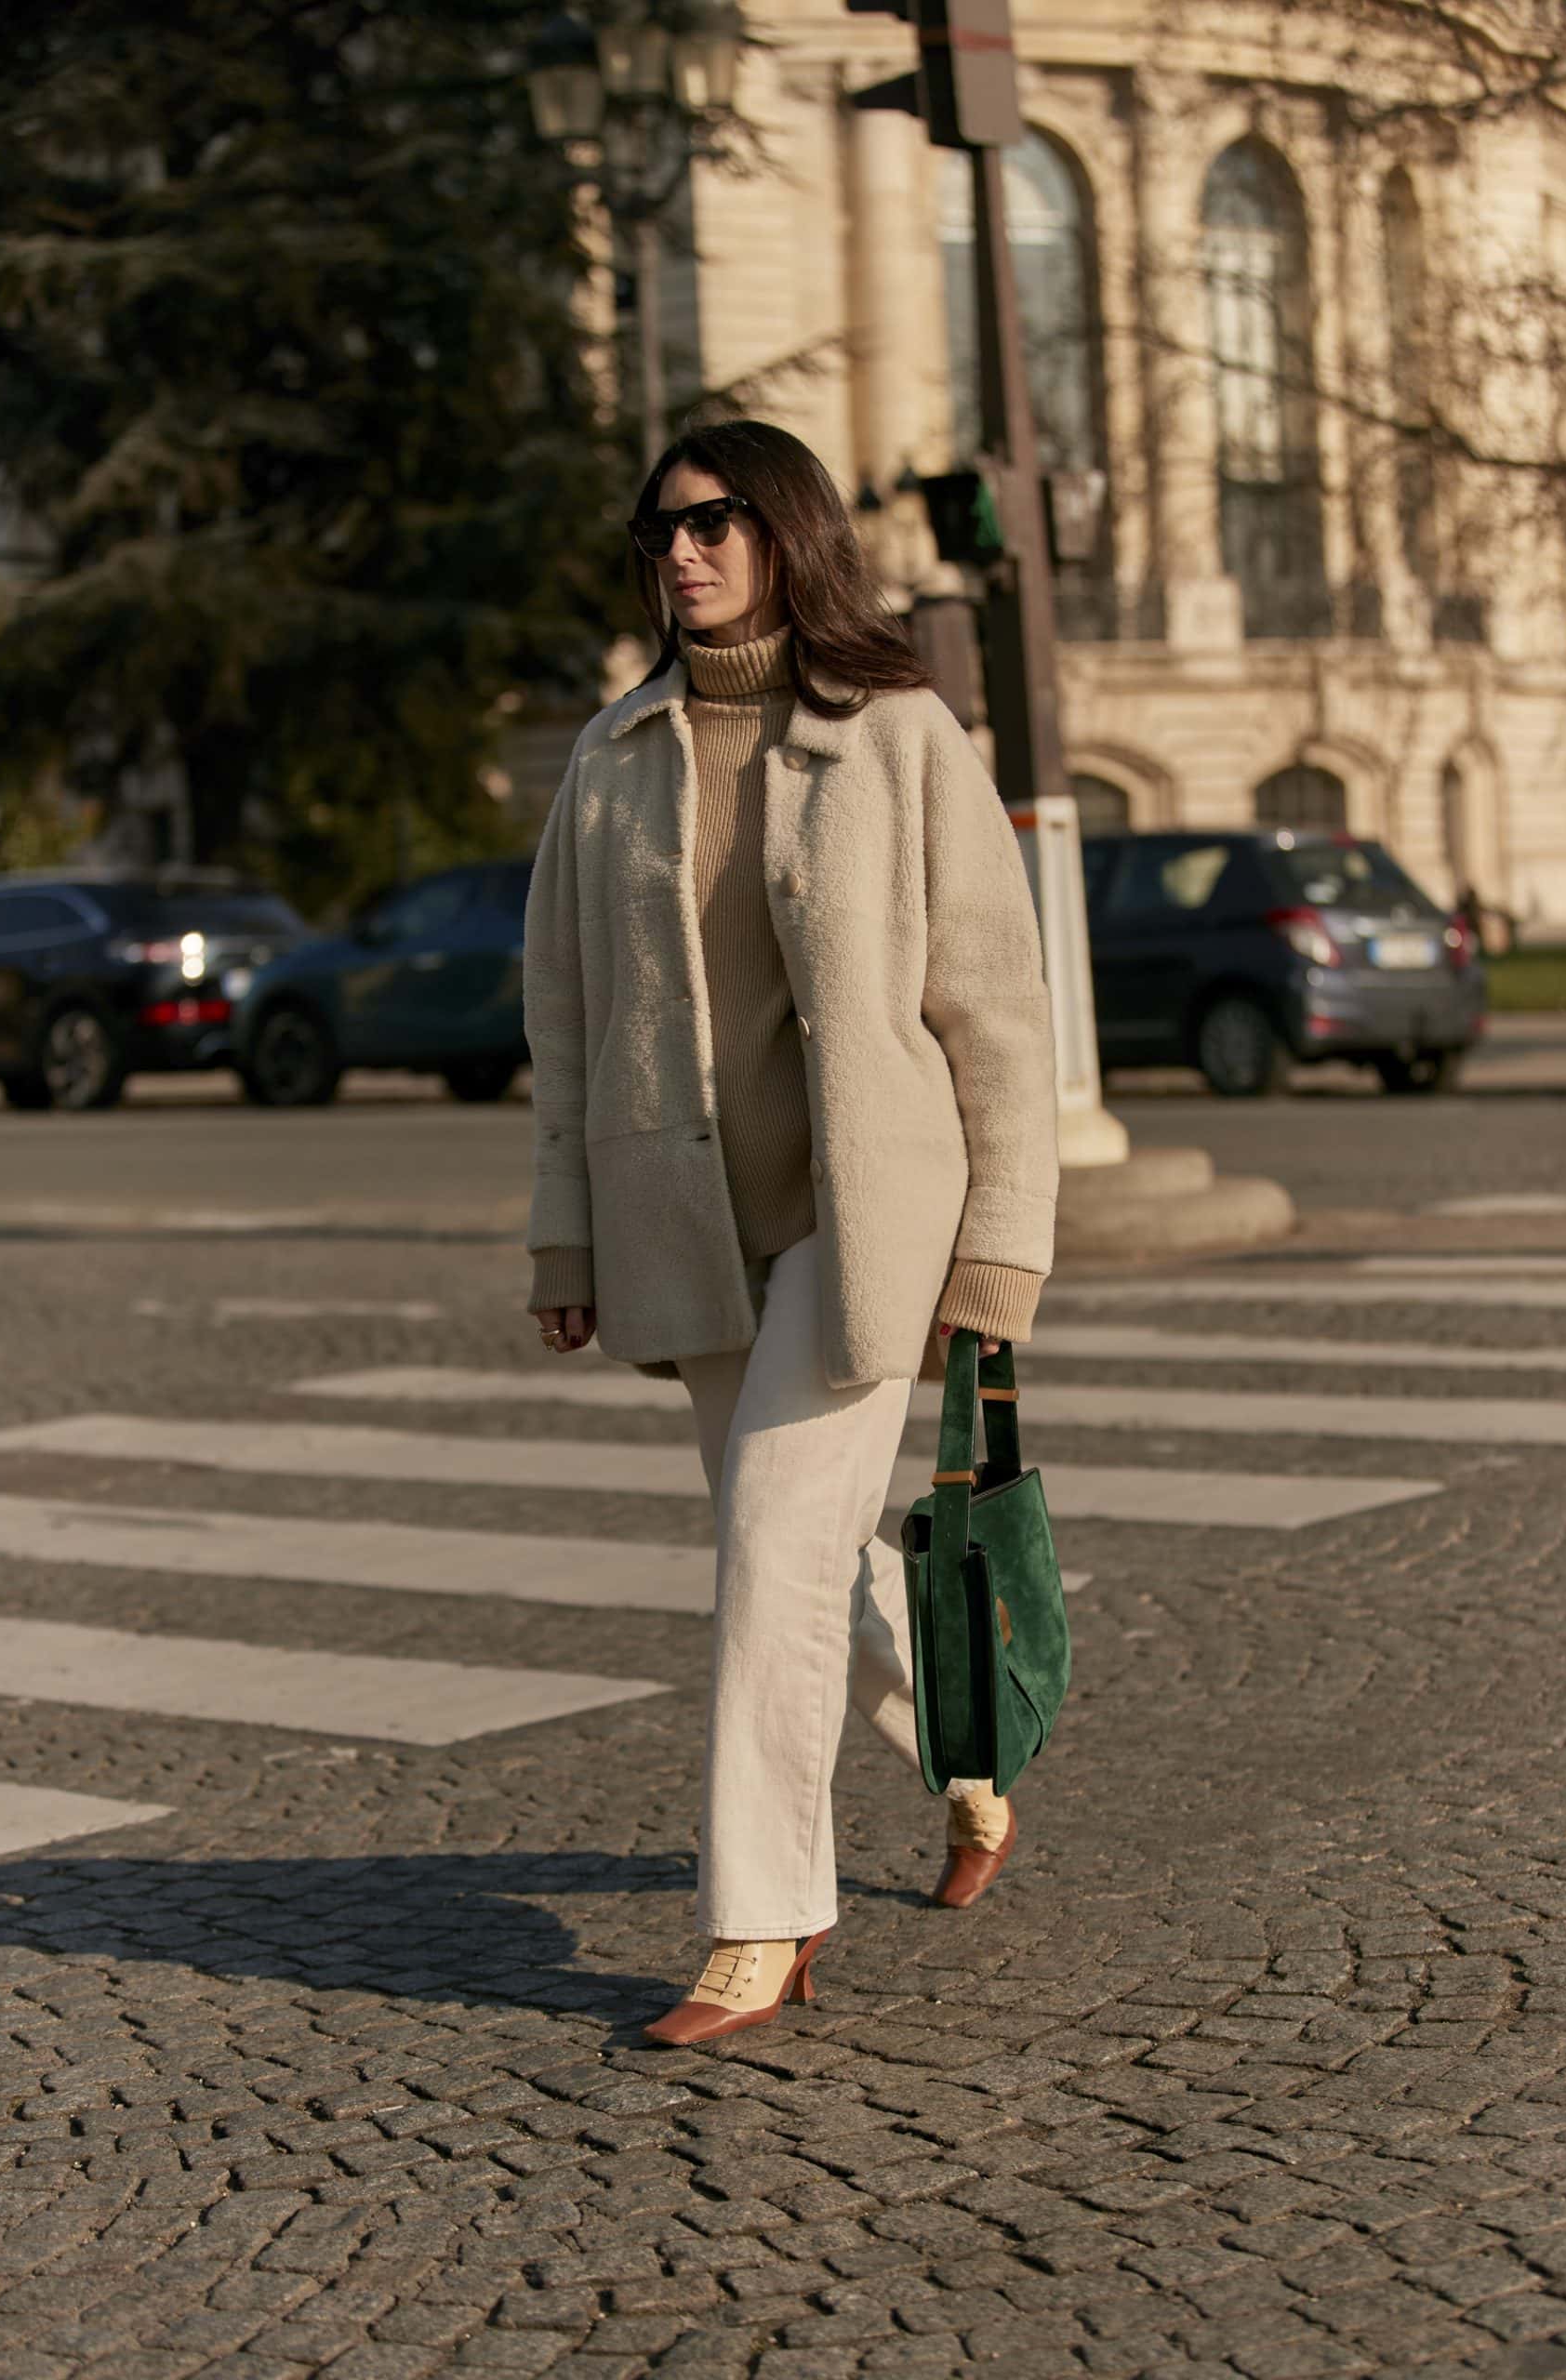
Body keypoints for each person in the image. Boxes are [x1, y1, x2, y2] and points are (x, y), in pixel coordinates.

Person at [524, 418, 1057, 2046]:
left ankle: (762, 1919)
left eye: (712, 523)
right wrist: (564, 1238)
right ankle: (972, 1754)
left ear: (790, 533)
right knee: (808, 1554)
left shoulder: (897, 733)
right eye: (660, 533)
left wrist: (1002, 1247)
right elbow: (564, 1018)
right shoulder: (613, 758)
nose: (681, 554)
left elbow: (997, 1010)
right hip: (686, 1218)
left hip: (863, 1214)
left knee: (769, 1546)